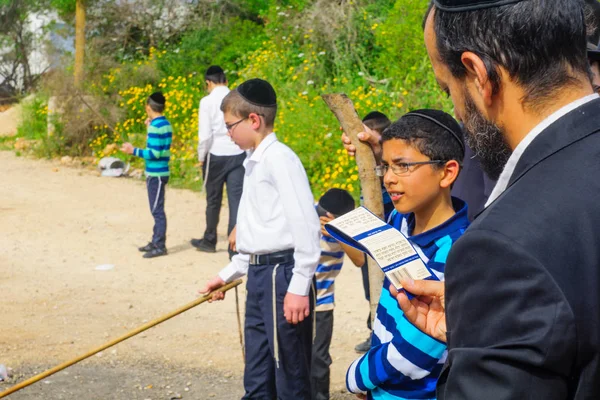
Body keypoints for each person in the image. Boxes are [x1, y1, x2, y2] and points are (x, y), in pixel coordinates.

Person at [402, 0, 600, 398]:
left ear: (478, 74)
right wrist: (489, 323)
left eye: (448, 88)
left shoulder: (501, 247)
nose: (456, 108)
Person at [199, 78, 321, 399]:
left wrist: (298, 286)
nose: (228, 133)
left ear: (254, 120)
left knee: (289, 376)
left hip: (282, 276)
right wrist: (225, 276)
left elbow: (306, 225)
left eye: (230, 126)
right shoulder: (252, 162)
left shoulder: (280, 159)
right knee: (257, 374)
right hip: (258, 275)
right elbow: (255, 236)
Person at [346, 110, 469, 400]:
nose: (389, 178)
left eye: (402, 166)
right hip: (382, 386)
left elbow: (415, 349)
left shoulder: (457, 252)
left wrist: (358, 377)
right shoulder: (400, 222)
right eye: (386, 166)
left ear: (447, 172)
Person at [191, 65, 245, 258]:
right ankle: (234, 247)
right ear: (226, 80)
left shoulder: (206, 102)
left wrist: (200, 156)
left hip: (215, 155)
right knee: (236, 201)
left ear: (208, 83)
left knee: (213, 200)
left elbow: (204, 136)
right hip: (238, 153)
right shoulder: (237, 97)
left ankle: (209, 239)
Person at [312, 188, 356, 400]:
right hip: (296, 299)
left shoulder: (344, 233)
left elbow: (360, 260)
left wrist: (339, 234)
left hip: (322, 304)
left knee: (319, 357)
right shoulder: (307, 218)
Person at [121, 92, 172, 258]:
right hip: (159, 173)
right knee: (156, 208)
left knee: (157, 210)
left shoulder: (156, 127)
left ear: (148, 107)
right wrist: (149, 127)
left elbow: (155, 153)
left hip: (156, 174)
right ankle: (155, 241)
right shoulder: (164, 124)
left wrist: (132, 150)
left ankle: (160, 245)